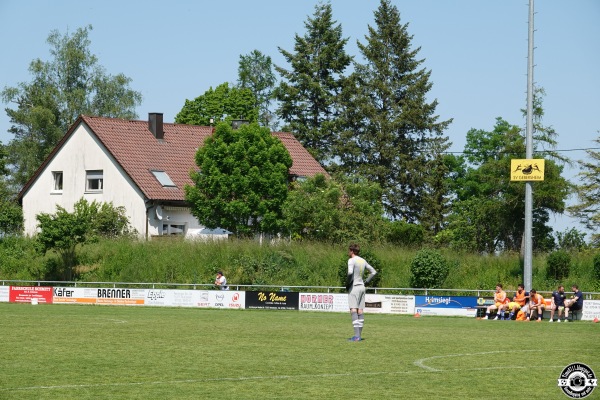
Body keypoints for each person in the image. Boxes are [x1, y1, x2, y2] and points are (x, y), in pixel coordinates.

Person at [346, 243, 377, 342]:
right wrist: (367, 282)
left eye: (349, 250)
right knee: (360, 310)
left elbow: (350, 272)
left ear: (351, 251)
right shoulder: (363, 260)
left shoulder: (351, 260)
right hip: (362, 287)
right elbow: (374, 272)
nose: (348, 252)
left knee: (353, 310)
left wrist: (347, 283)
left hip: (354, 287)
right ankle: (358, 336)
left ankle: (356, 336)